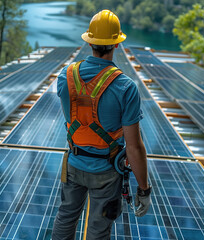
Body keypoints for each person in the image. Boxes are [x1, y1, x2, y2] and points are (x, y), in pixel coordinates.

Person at [52, 9, 151, 240]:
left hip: (74, 164)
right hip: (107, 172)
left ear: (89, 42)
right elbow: (134, 147)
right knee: (98, 230)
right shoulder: (126, 87)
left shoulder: (64, 77)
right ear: (117, 44)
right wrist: (144, 188)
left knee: (65, 218)